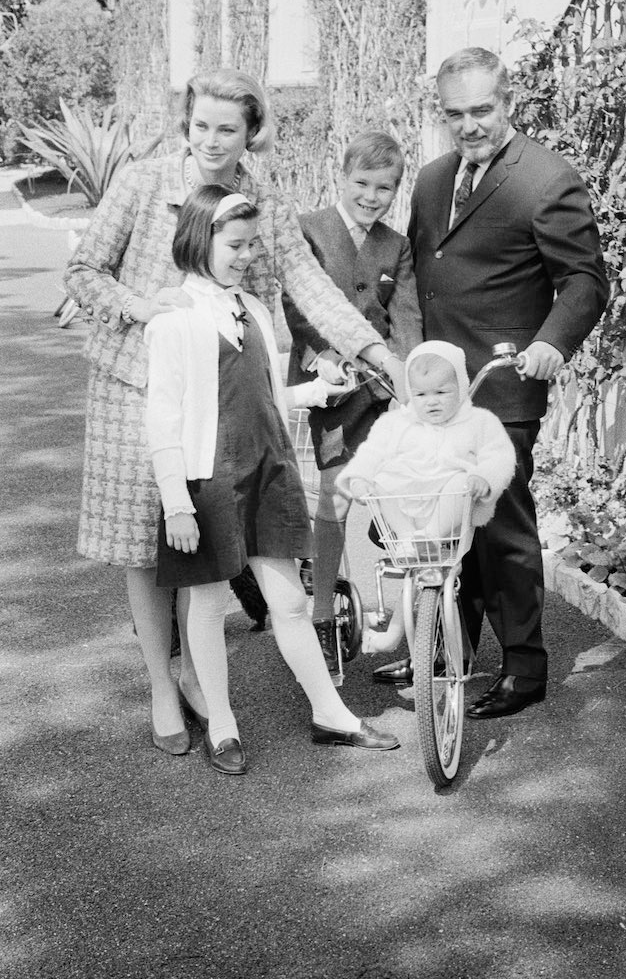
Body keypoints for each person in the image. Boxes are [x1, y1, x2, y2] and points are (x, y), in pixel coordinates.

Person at [63, 68, 407, 755]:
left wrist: (373, 349)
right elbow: (83, 273)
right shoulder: (141, 183)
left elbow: (304, 280)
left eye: (229, 128)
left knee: (202, 547)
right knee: (143, 547)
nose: (213, 140)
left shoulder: (263, 199)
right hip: (134, 384)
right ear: (185, 123)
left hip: (220, 394)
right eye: (202, 125)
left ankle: (197, 676)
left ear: (251, 132)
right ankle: (163, 685)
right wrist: (139, 306)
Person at [144, 186, 399, 774]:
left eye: (253, 243)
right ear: (198, 239)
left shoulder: (253, 309)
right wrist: (177, 501)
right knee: (206, 604)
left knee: (288, 599)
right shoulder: (176, 317)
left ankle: (331, 714)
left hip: (267, 471)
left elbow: (256, 397)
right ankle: (224, 727)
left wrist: (313, 393)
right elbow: (164, 415)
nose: (247, 255)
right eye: (235, 244)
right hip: (209, 481)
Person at [390, 46, 609, 717]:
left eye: (482, 109)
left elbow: (585, 280)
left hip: (503, 384)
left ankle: (524, 667)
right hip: (435, 388)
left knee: (498, 523)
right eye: (455, 113)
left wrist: (551, 343)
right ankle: (440, 650)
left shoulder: (546, 179)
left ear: (508, 102)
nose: (469, 125)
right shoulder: (431, 181)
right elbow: (415, 274)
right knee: (441, 517)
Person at [281, 129, 422, 683]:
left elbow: (405, 313)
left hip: (384, 390)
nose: (371, 196)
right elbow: (297, 303)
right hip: (333, 386)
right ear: (342, 177)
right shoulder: (310, 230)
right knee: (336, 495)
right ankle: (321, 614)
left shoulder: (396, 244)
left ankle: (405, 613)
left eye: (383, 188)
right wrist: (320, 357)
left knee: (398, 498)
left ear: (395, 191)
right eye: (362, 184)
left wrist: (407, 372)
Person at [338, 341, 516, 660]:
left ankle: (425, 545)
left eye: (441, 393)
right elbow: (373, 451)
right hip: (408, 519)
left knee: (459, 481)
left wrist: (484, 477)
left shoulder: (478, 422)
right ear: (410, 393)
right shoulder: (397, 424)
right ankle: (412, 541)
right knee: (382, 480)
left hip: (448, 518)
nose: (431, 402)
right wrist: (361, 477)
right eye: (421, 395)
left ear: (460, 386)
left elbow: (500, 455)